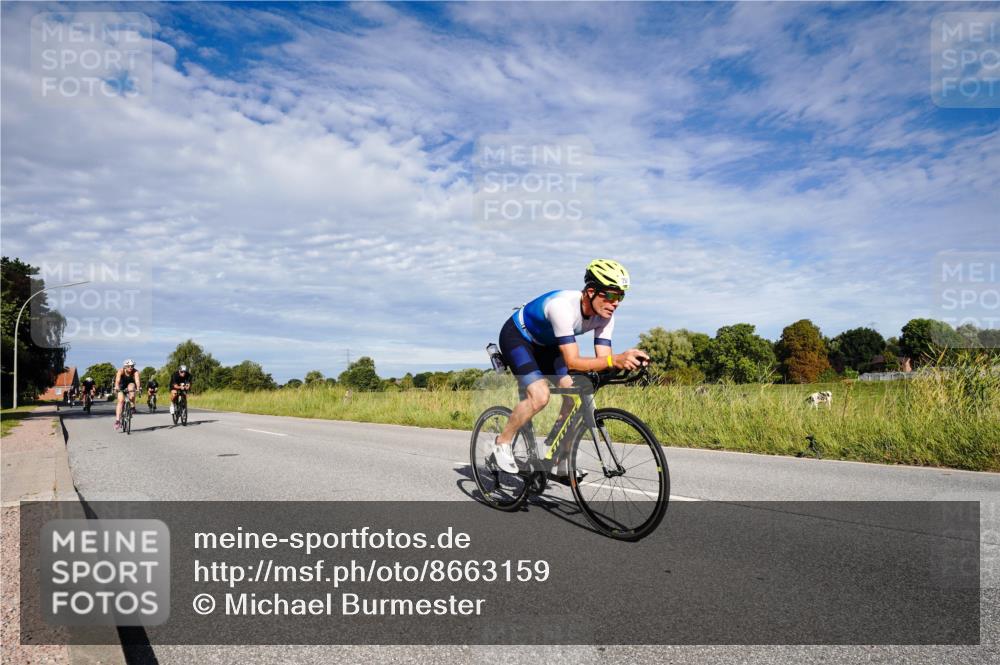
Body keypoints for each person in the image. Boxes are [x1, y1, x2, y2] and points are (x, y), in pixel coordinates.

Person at [493, 259, 649, 482]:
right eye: (610, 295)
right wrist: (616, 359)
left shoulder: (606, 317)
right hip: (518, 338)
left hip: (548, 345)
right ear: (591, 292)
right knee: (539, 396)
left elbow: (604, 359)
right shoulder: (562, 307)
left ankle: (557, 458)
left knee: (575, 394)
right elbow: (574, 362)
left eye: (620, 297)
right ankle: (502, 442)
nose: (615, 303)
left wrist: (627, 364)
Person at [114, 359, 141, 430]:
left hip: (130, 384)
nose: (131, 368)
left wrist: (138, 388)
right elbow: (117, 381)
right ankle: (117, 421)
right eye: (129, 366)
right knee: (120, 401)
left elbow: (137, 381)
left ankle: (132, 405)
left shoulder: (135, 372)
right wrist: (117, 387)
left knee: (132, 389)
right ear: (125, 366)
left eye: (132, 366)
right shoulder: (121, 371)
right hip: (121, 385)